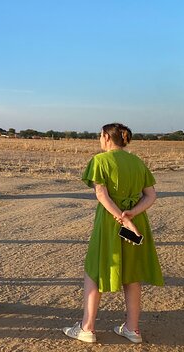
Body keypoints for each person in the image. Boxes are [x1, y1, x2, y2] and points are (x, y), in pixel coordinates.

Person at [63, 123, 163, 344]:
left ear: (107, 137)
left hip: (110, 223)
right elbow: (151, 195)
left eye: (100, 136)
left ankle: (87, 328)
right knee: (132, 273)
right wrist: (131, 215)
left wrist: (121, 217)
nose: (99, 139)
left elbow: (102, 195)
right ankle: (132, 329)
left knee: (95, 268)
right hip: (136, 222)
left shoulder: (100, 160)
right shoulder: (137, 162)